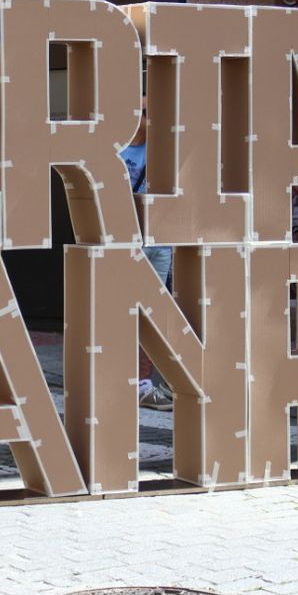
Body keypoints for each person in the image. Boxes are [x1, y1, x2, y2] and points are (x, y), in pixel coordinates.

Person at [120, 97, 175, 410]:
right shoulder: (118, 150)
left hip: (159, 243)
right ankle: (130, 379)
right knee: (129, 312)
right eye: (143, 112)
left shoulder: (162, 151)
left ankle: (143, 382)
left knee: (152, 314)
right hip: (130, 241)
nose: (149, 119)